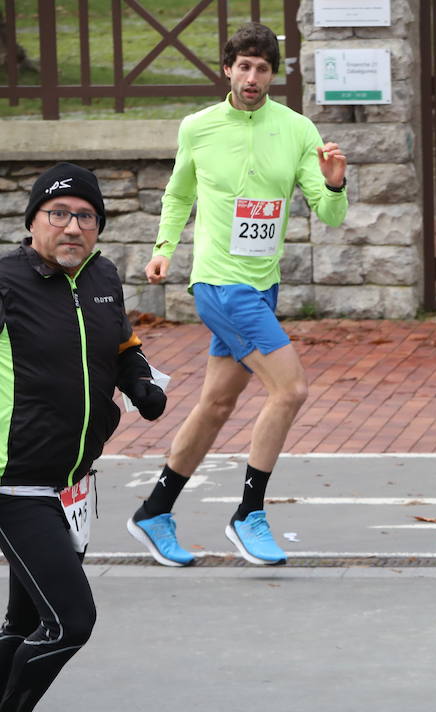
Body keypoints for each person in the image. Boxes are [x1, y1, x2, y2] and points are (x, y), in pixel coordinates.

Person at [128, 22, 348, 567]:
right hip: (219, 284)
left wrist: (336, 182)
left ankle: (155, 511)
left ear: (275, 74)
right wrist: (163, 248)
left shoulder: (296, 130)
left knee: (217, 403)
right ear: (227, 69)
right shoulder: (198, 128)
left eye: (263, 68)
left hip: (262, 286)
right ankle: (249, 512)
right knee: (290, 389)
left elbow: (329, 213)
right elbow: (178, 195)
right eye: (243, 66)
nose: (252, 77)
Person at [0, 163, 167, 712]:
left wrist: (141, 379)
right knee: (70, 621)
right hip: (13, 480)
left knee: (23, 623)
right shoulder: (6, 282)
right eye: (59, 213)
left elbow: (120, 340)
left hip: (72, 481)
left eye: (86, 216)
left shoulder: (99, 276)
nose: (73, 226)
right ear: (33, 221)